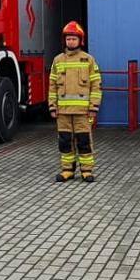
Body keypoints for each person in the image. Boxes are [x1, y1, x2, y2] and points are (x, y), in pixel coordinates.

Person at [47, 21, 103, 182]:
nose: (71, 41)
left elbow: (96, 86)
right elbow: (52, 86)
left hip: (82, 112)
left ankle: (86, 170)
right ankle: (67, 170)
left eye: (74, 38)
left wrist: (93, 107)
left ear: (80, 40)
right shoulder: (58, 61)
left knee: (83, 140)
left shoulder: (88, 60)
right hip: (63, 112)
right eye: (68, 39)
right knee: (65, 140)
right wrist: (52, 106)